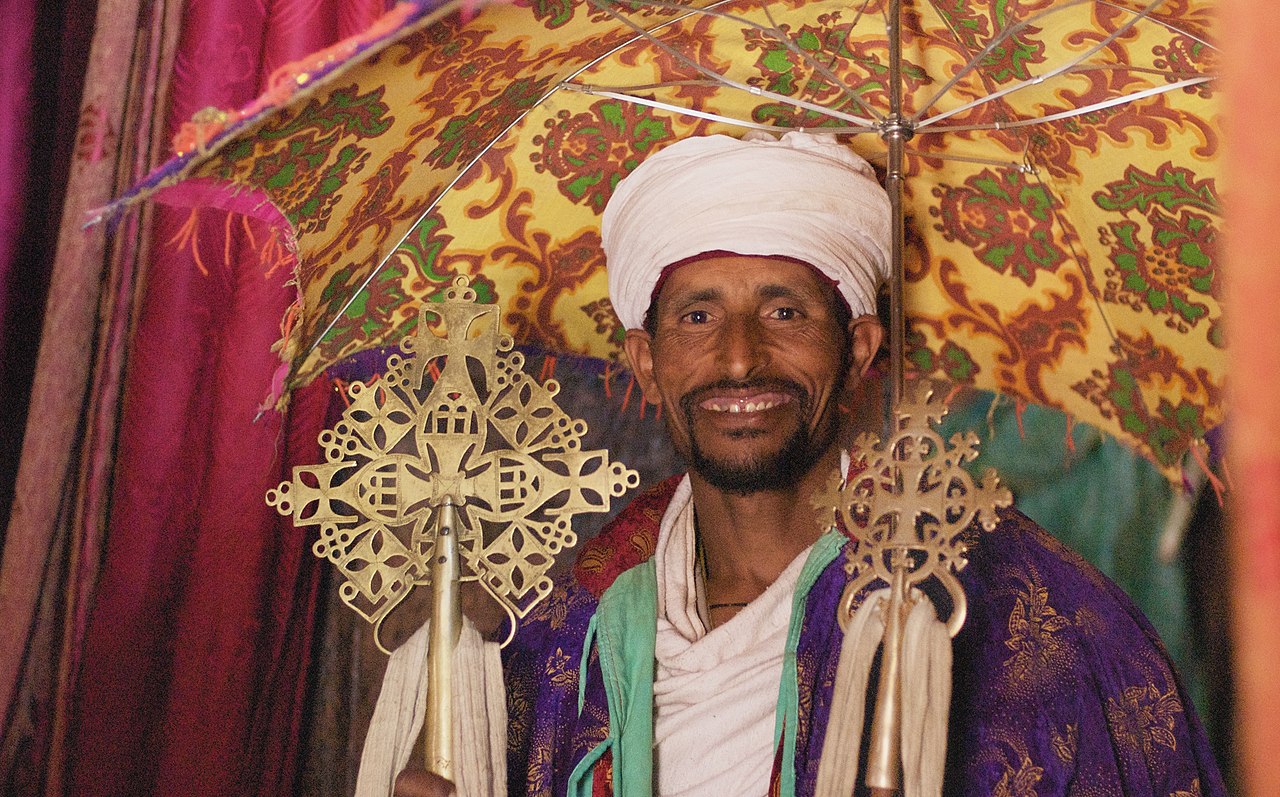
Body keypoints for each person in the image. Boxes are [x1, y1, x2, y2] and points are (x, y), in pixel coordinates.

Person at [370, 132, 1225, 796]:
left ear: (859, 349)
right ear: (644, 361)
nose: (739, 360)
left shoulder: (1019, 611)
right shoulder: (569, 630)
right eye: (698, 318)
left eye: (785, 311)